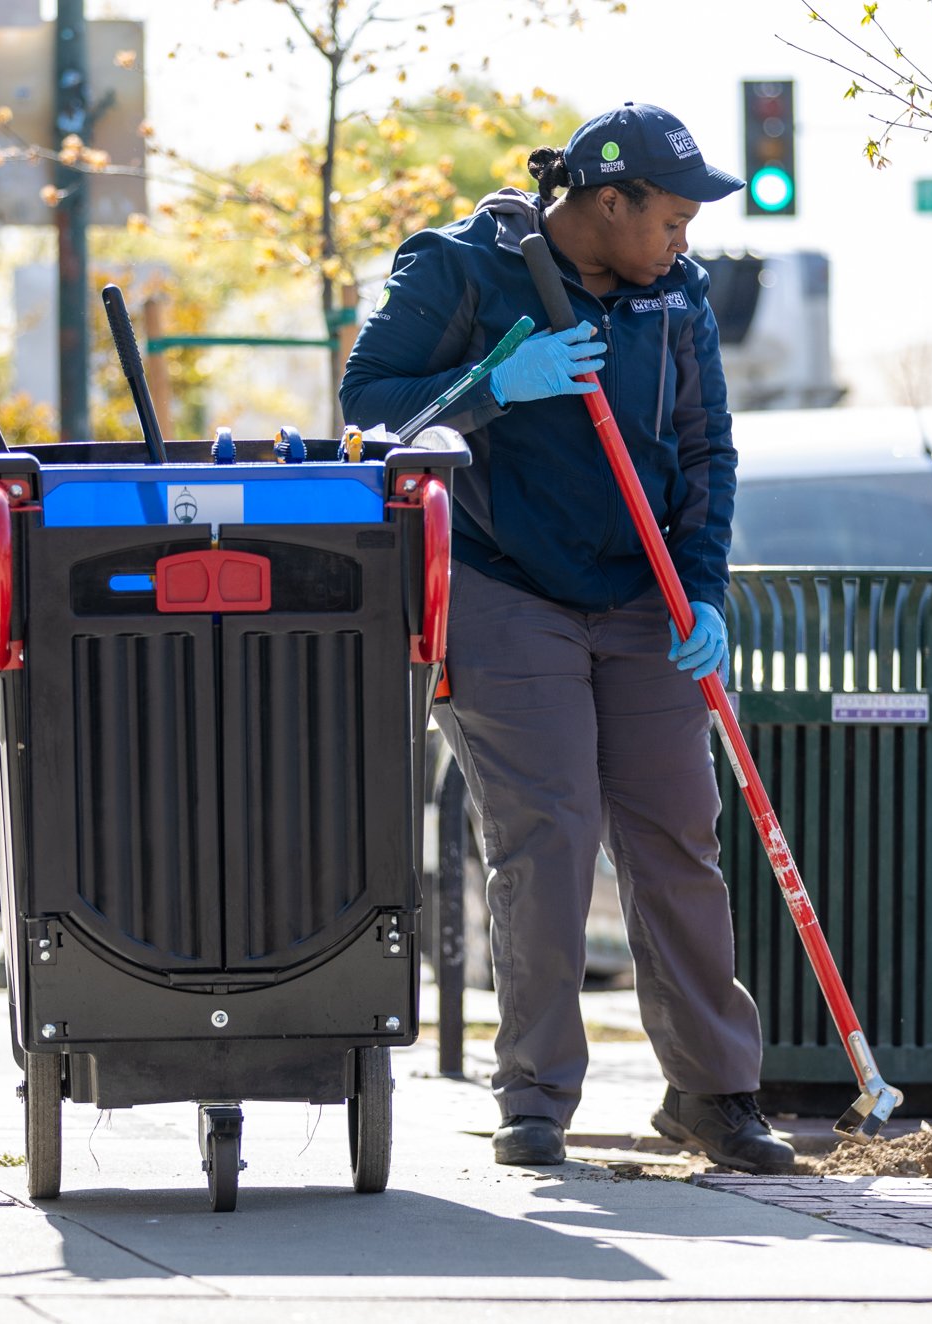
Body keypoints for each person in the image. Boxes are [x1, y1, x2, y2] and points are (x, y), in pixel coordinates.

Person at [339, 102, 794, 1173]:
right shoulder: (457, 269)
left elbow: (705, 447)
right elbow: (368, 411)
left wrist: (701, 592)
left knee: (676, 831)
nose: (685, 241)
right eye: (671, 217)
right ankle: (535, 1092)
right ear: (604, 201)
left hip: (642, 595)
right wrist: (498, 381)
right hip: (504, 589)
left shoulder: (673, 294)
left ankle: (711, 1092)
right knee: (547, 831)